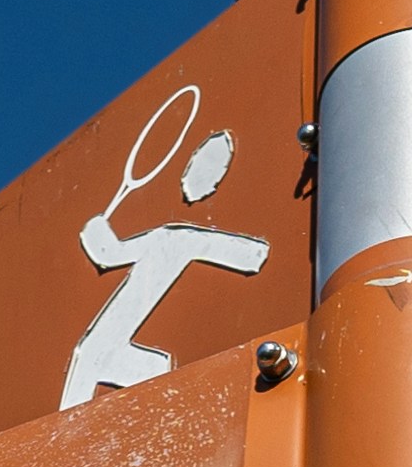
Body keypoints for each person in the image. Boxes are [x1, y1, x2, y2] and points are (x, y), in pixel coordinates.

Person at [58, 87, 273, 404]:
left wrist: (97, 235)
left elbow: (108, 254)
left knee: (106, 382)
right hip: (112, 340)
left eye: (206, 173)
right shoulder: (171, 235)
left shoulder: (172, 237)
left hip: (108, 340)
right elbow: (249, 255)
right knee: (154, 374)